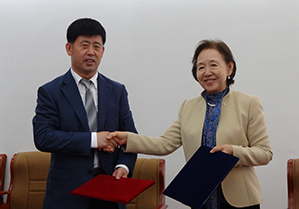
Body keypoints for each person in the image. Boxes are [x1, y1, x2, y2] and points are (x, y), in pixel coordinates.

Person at [108, 40, 273, 209]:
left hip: (240, 201)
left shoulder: (249, 103)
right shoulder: (188, 106)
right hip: (200, 198)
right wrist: (127, 139)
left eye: (213, 65)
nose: (207, 72)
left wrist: (233, 152)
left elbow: (265, 153)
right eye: (201, 67)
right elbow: (164, 144)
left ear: (229, 68)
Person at [32, 18, 137, 209]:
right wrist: (95, 140)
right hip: (67, 194)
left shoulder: (117, 90)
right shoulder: (51, 91)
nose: (91, 52)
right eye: (84, 45)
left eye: (97, 46)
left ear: (103, 51)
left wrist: (123, 166)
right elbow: (43, 137)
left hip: (109, 192)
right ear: (69, 48)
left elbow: (130, 137)